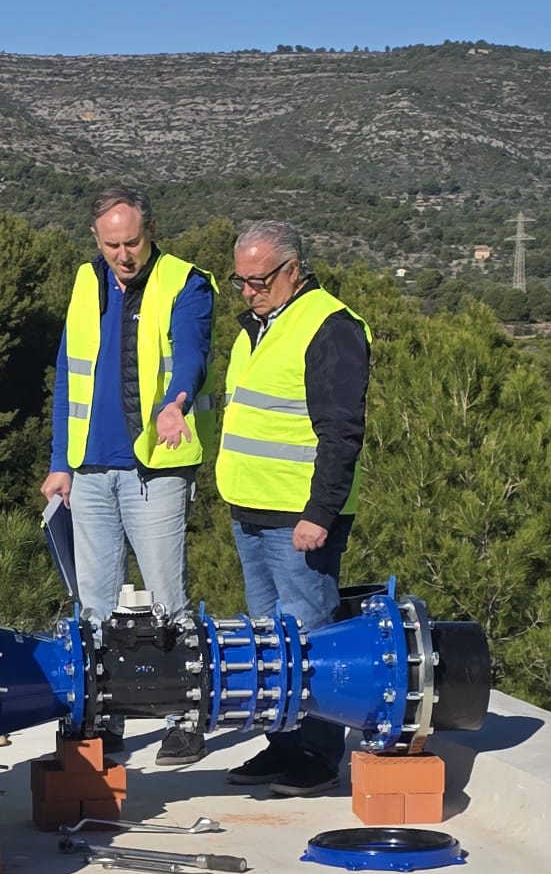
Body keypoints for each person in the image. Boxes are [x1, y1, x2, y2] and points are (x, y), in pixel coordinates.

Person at [39, 186, 215, 766]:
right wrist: (60, 462)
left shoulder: (185, 282)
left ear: (151, 231)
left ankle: (185, 716)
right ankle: (103, 714)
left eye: (133, 241)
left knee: (169, 598)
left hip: (154, 471)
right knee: (94, 604)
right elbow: (69, 372)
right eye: (112, 243)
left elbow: (191, 353)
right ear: (96, 239)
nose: (124, 254)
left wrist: (177, 402)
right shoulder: (85, 283)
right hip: (90, 470)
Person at [217, 221, 371, 797]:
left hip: (299, 518)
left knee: (312, 637)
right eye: (241, 281)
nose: (250, 291)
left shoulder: (330, 327)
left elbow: (340, 432)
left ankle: (319, 753)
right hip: (250, 509)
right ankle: (283, 745)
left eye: (259, 280)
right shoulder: (253, 329)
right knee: (269, 640)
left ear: (292, 269)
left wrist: (320, 513)